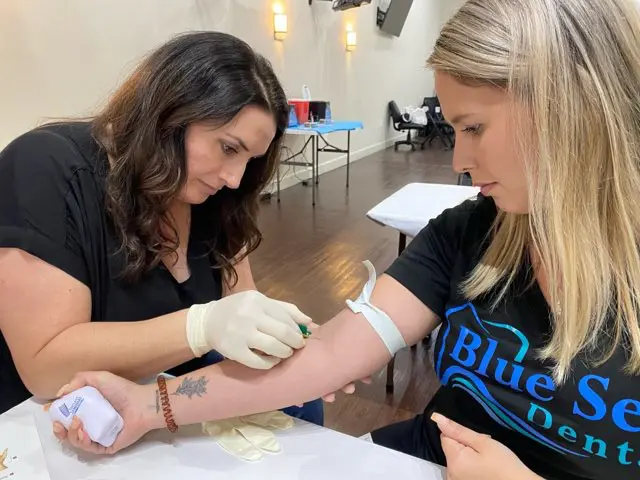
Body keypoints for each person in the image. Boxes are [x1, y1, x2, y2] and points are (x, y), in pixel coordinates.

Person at [50, 0, 640, 478]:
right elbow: (331, 354)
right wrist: (149, 406)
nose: (460, 158)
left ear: (572, 107)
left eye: (475, 127)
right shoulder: (470, 233)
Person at [0, 31, 327, 425]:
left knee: (304, 401)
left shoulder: (217, 199)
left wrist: (285, 336)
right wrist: (202, 326)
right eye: (228, 148)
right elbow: (45, 368)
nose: (236, 178)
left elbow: (243, 302)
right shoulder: (47, 168)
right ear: (169, 114)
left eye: (250, 160)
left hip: (158, 401)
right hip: (59, 420)